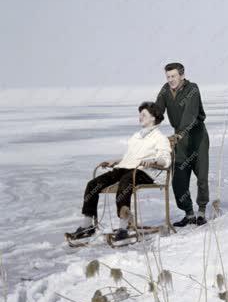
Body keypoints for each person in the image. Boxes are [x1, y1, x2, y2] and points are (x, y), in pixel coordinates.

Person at [65, 102, 171, 242]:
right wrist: (115, 162)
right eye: (139, 114)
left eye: (143, 114)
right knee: (93, 184)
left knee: (125, 181)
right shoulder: (136, 136)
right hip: (127, 168)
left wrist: (153, 161)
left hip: (146, 172)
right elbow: (130, 157)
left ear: (153, 118)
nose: (140, 117)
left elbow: (165, 159)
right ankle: (87, 226)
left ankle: (123, 226)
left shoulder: (159, 138)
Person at [155, 62, 210, 227]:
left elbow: (190, 113)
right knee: (178, 178)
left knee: (201, 176)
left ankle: (201, 211)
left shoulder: (192, 88)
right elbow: (158, 109)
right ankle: (189, 213)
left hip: (197, 136)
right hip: (178, 139)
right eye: (168, 77)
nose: (171, 79)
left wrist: (179, 133)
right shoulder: (165, 90)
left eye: (173, 76)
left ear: (182, 75)